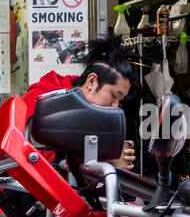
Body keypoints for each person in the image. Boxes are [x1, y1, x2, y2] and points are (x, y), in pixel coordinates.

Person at [21, 33, 136, 171]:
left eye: (120, 100)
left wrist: (111, 158)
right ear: (91, 82)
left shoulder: (96, 116)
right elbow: (32, 162)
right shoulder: (43, 100)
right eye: (113, 95)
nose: (115, 105)